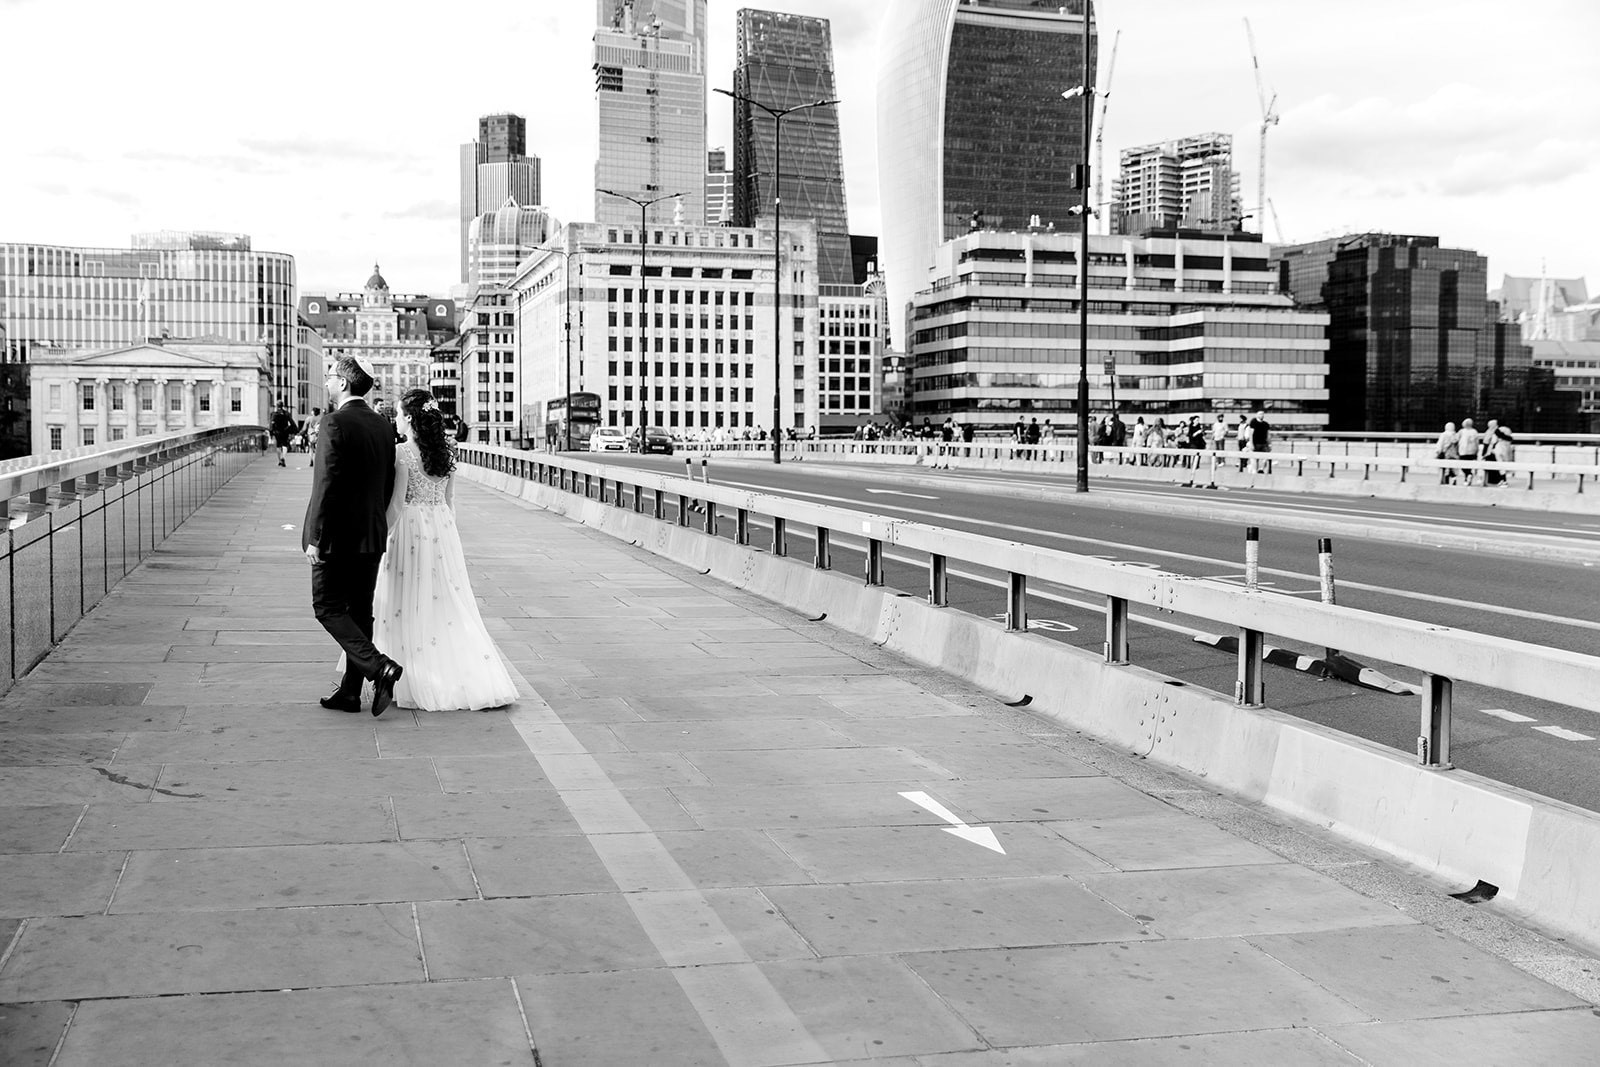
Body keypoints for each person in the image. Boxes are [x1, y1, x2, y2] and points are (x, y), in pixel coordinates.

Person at [370, 388, 516, 711]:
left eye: (398, 414)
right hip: (441, 529)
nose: (396, 420)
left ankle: (413, 672)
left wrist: (379, 535)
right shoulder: (447, 453)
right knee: (444, 600)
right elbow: (450, 503)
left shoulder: (403, 453)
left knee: (406, 599)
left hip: (410, 529)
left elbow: (395, 506)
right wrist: (448, 537)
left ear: (410, 418)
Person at [304, 356, 405, 717]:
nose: (328, 382)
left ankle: (380, 668)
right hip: (371, 534)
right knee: (360, 612)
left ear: (344, 383)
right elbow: (389, 482)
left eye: (331, 377)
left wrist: (315, 536)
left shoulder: (333, 423)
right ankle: (349, 693)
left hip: (336, 537)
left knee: (327, 607)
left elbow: (325, 484)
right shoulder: (382, 425)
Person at [1456, 418, 1480, 485]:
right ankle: (1467, 477)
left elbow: (1456, 439)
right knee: (1469, 465)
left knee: (1463, 465)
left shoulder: (1461, 431)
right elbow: (1477, 442)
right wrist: (1477, 450)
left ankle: (1468, 475)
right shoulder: (1475, 431)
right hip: (1473, 451)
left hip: (1463, 451)